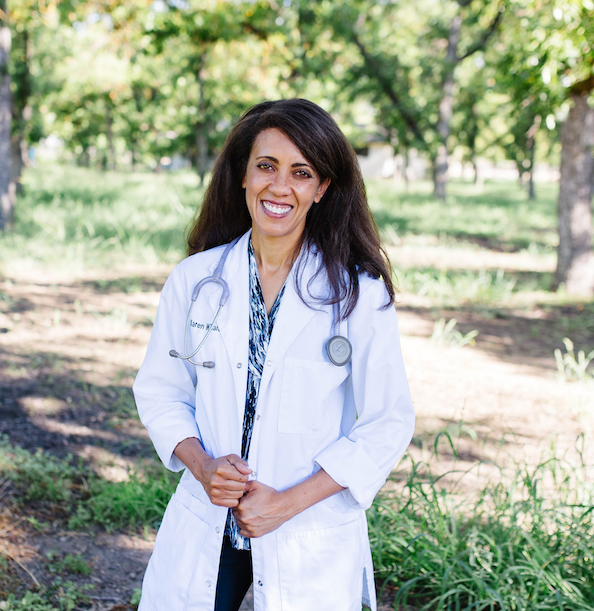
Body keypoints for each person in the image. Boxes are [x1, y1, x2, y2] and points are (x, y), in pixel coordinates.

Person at [133, 98, 415, 611]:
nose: (280, 186)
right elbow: (161, 391)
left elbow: (387, 423)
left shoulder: (358, 294)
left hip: (305, 528)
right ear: (243, 175)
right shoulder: (195, 281)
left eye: (301, 173)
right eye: (266, 166)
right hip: (209, 517)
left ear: (321, 188)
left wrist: (285, 504)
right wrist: (203, 466)